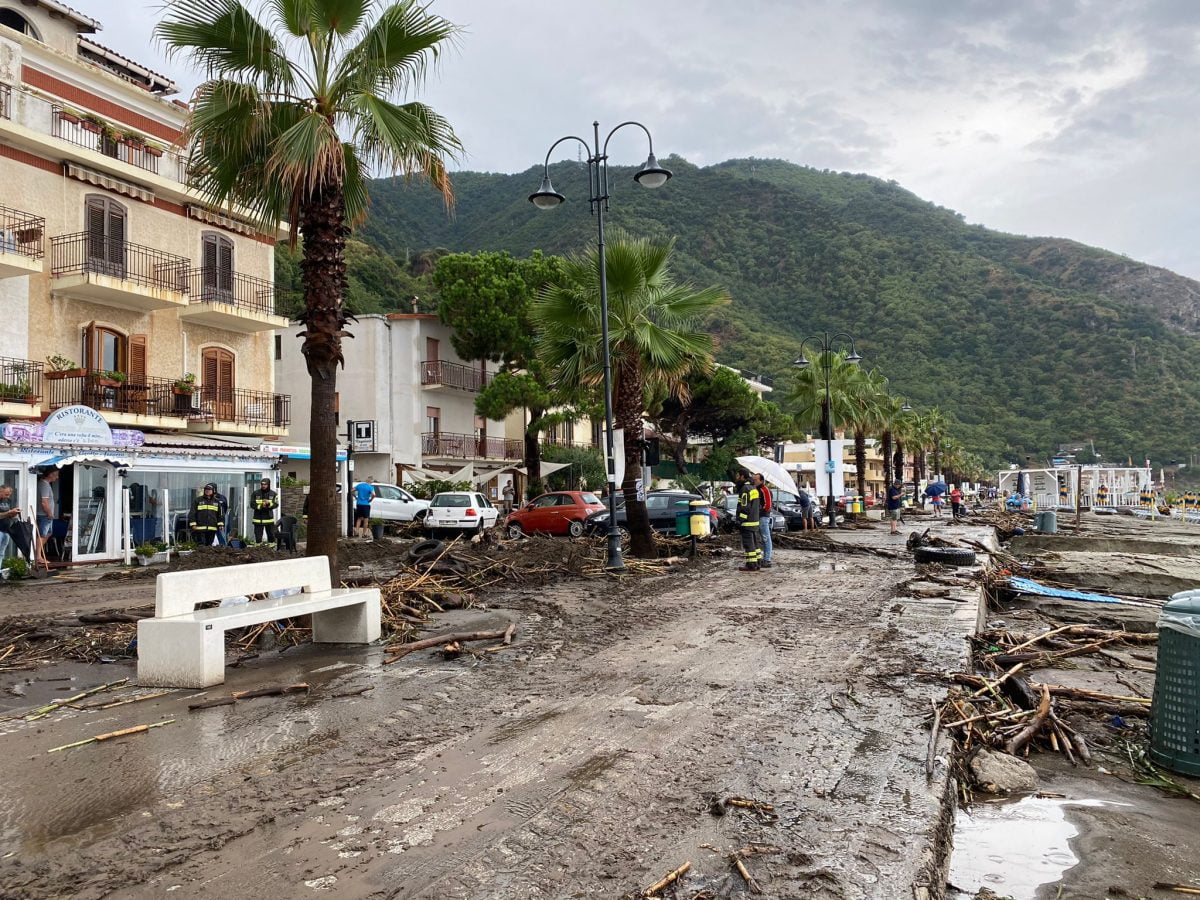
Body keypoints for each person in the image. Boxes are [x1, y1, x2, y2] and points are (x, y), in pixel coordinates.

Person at [733, 469, 762, 572]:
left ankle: (751, 565)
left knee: (749, 545)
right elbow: (757, 506)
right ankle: (758, 563)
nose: (737, 478)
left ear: (742, 476)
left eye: (737, 475)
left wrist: (740, 520)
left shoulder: (745, 489)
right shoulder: (753, 488)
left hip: (747, 522)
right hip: (755, 521)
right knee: (755, 544)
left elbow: (744, 507)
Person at [0, 484, 30, 560]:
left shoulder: (8, 501)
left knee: (1, 553)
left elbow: (9, 515)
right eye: (6, 494)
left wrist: (14, 513)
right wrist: (9, 512)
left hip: (6, 529)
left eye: (9, 495)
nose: (8, 497)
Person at [36, 469, 59, 564]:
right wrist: (49, 513)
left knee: (48, 533)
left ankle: (38, 554)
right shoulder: (44, 485)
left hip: (46, 515)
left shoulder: (45, 484)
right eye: (56, 475)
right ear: (50, 474)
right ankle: (38, 556)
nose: (57, 477)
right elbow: (44, 502)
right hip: (44, 515)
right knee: (42, 535)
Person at [752, 473, 774, 568]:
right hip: (757, 517)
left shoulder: (765, 490)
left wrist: (760, 511)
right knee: (761, 538)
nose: (754, 481)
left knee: (765, 538)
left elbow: (768, 505)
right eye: (754, 480)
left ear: (761, 480)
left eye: (756, 480)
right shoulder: (755, 489)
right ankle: (763, 558)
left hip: (763, 517)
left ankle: (767, 559)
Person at [251, 477, 279, 544]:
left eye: (265, 484)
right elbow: (252, 504)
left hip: (269, 519)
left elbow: (276, 504)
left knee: (271, 537)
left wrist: (269, 504)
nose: (263, 486)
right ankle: (259, 551)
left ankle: (271, 551)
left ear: (268, 485)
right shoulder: (255, 493)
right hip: (258, 519)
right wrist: (260, 506)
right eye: (262, 484)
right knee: (258, 538)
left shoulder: (274, 494)